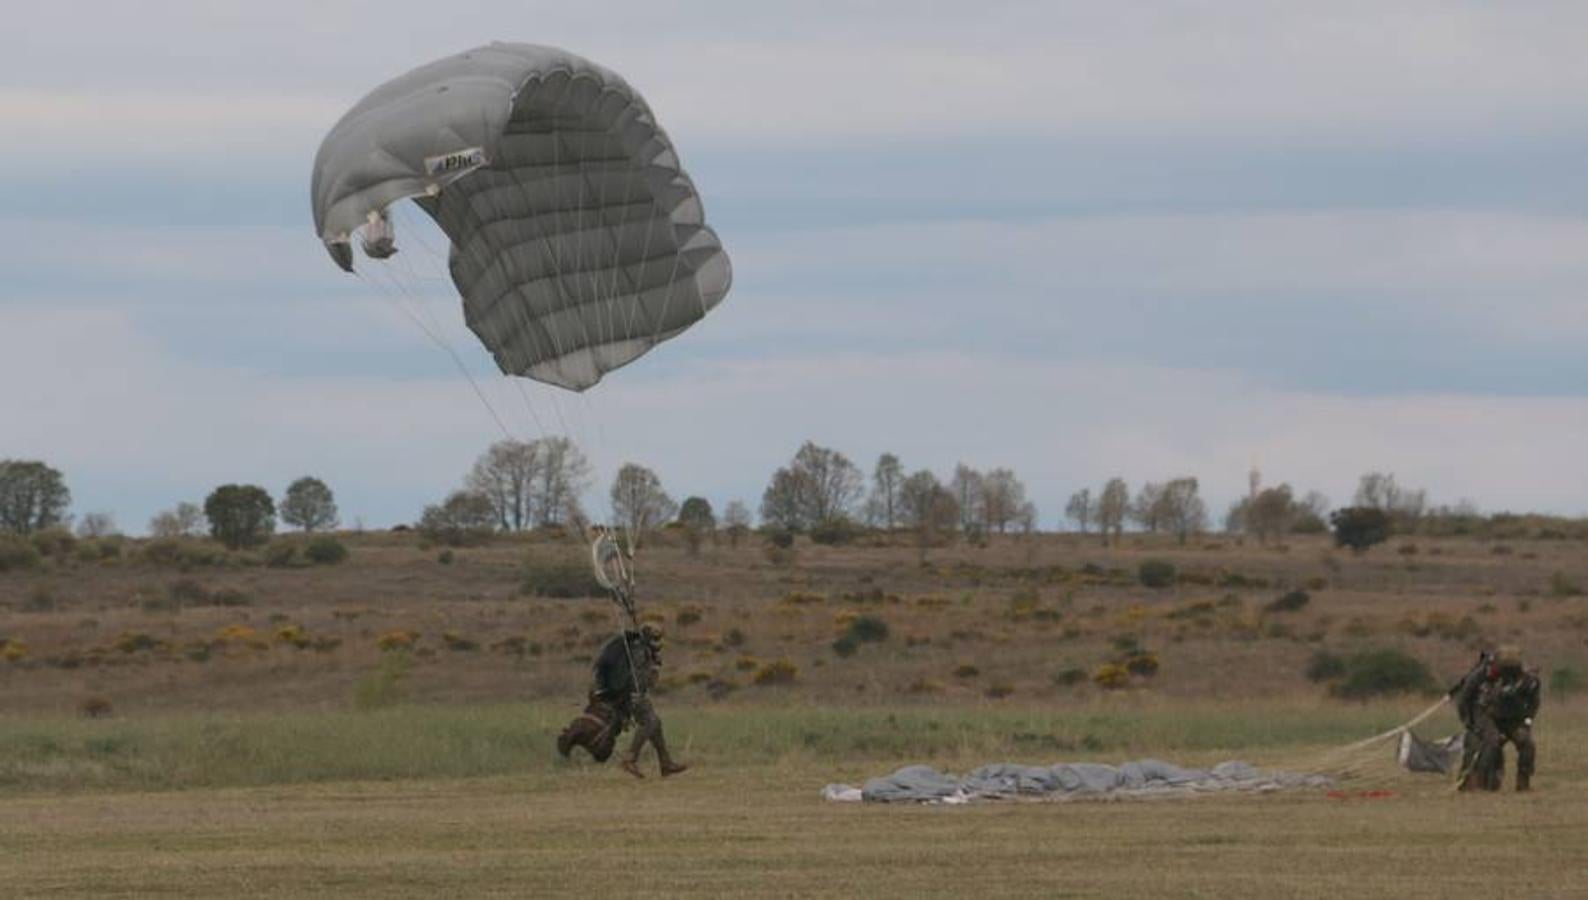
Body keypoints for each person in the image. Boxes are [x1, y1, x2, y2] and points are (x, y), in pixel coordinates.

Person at [556, 623, 688, 779]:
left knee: (656, 724)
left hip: (625, 695)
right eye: (656, 639)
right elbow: (639, 679)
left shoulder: (635, 647)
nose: (658, 643)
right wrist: (651, 670)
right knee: (650, 722)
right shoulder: (640, 652)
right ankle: (630, 758)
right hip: (631, 696)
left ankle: (665, 763)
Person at [1464, 644, 1540, 792]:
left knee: (1527, 743)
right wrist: (1470, 721)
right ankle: (1481, 782)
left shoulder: (1528, 680)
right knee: (1491, 742)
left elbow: (1533, 702)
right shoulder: (1482, 675)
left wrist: (1527, 721)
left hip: (1514, 720)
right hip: (1488, 716)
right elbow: (1466, 697)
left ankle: (1523, 783)